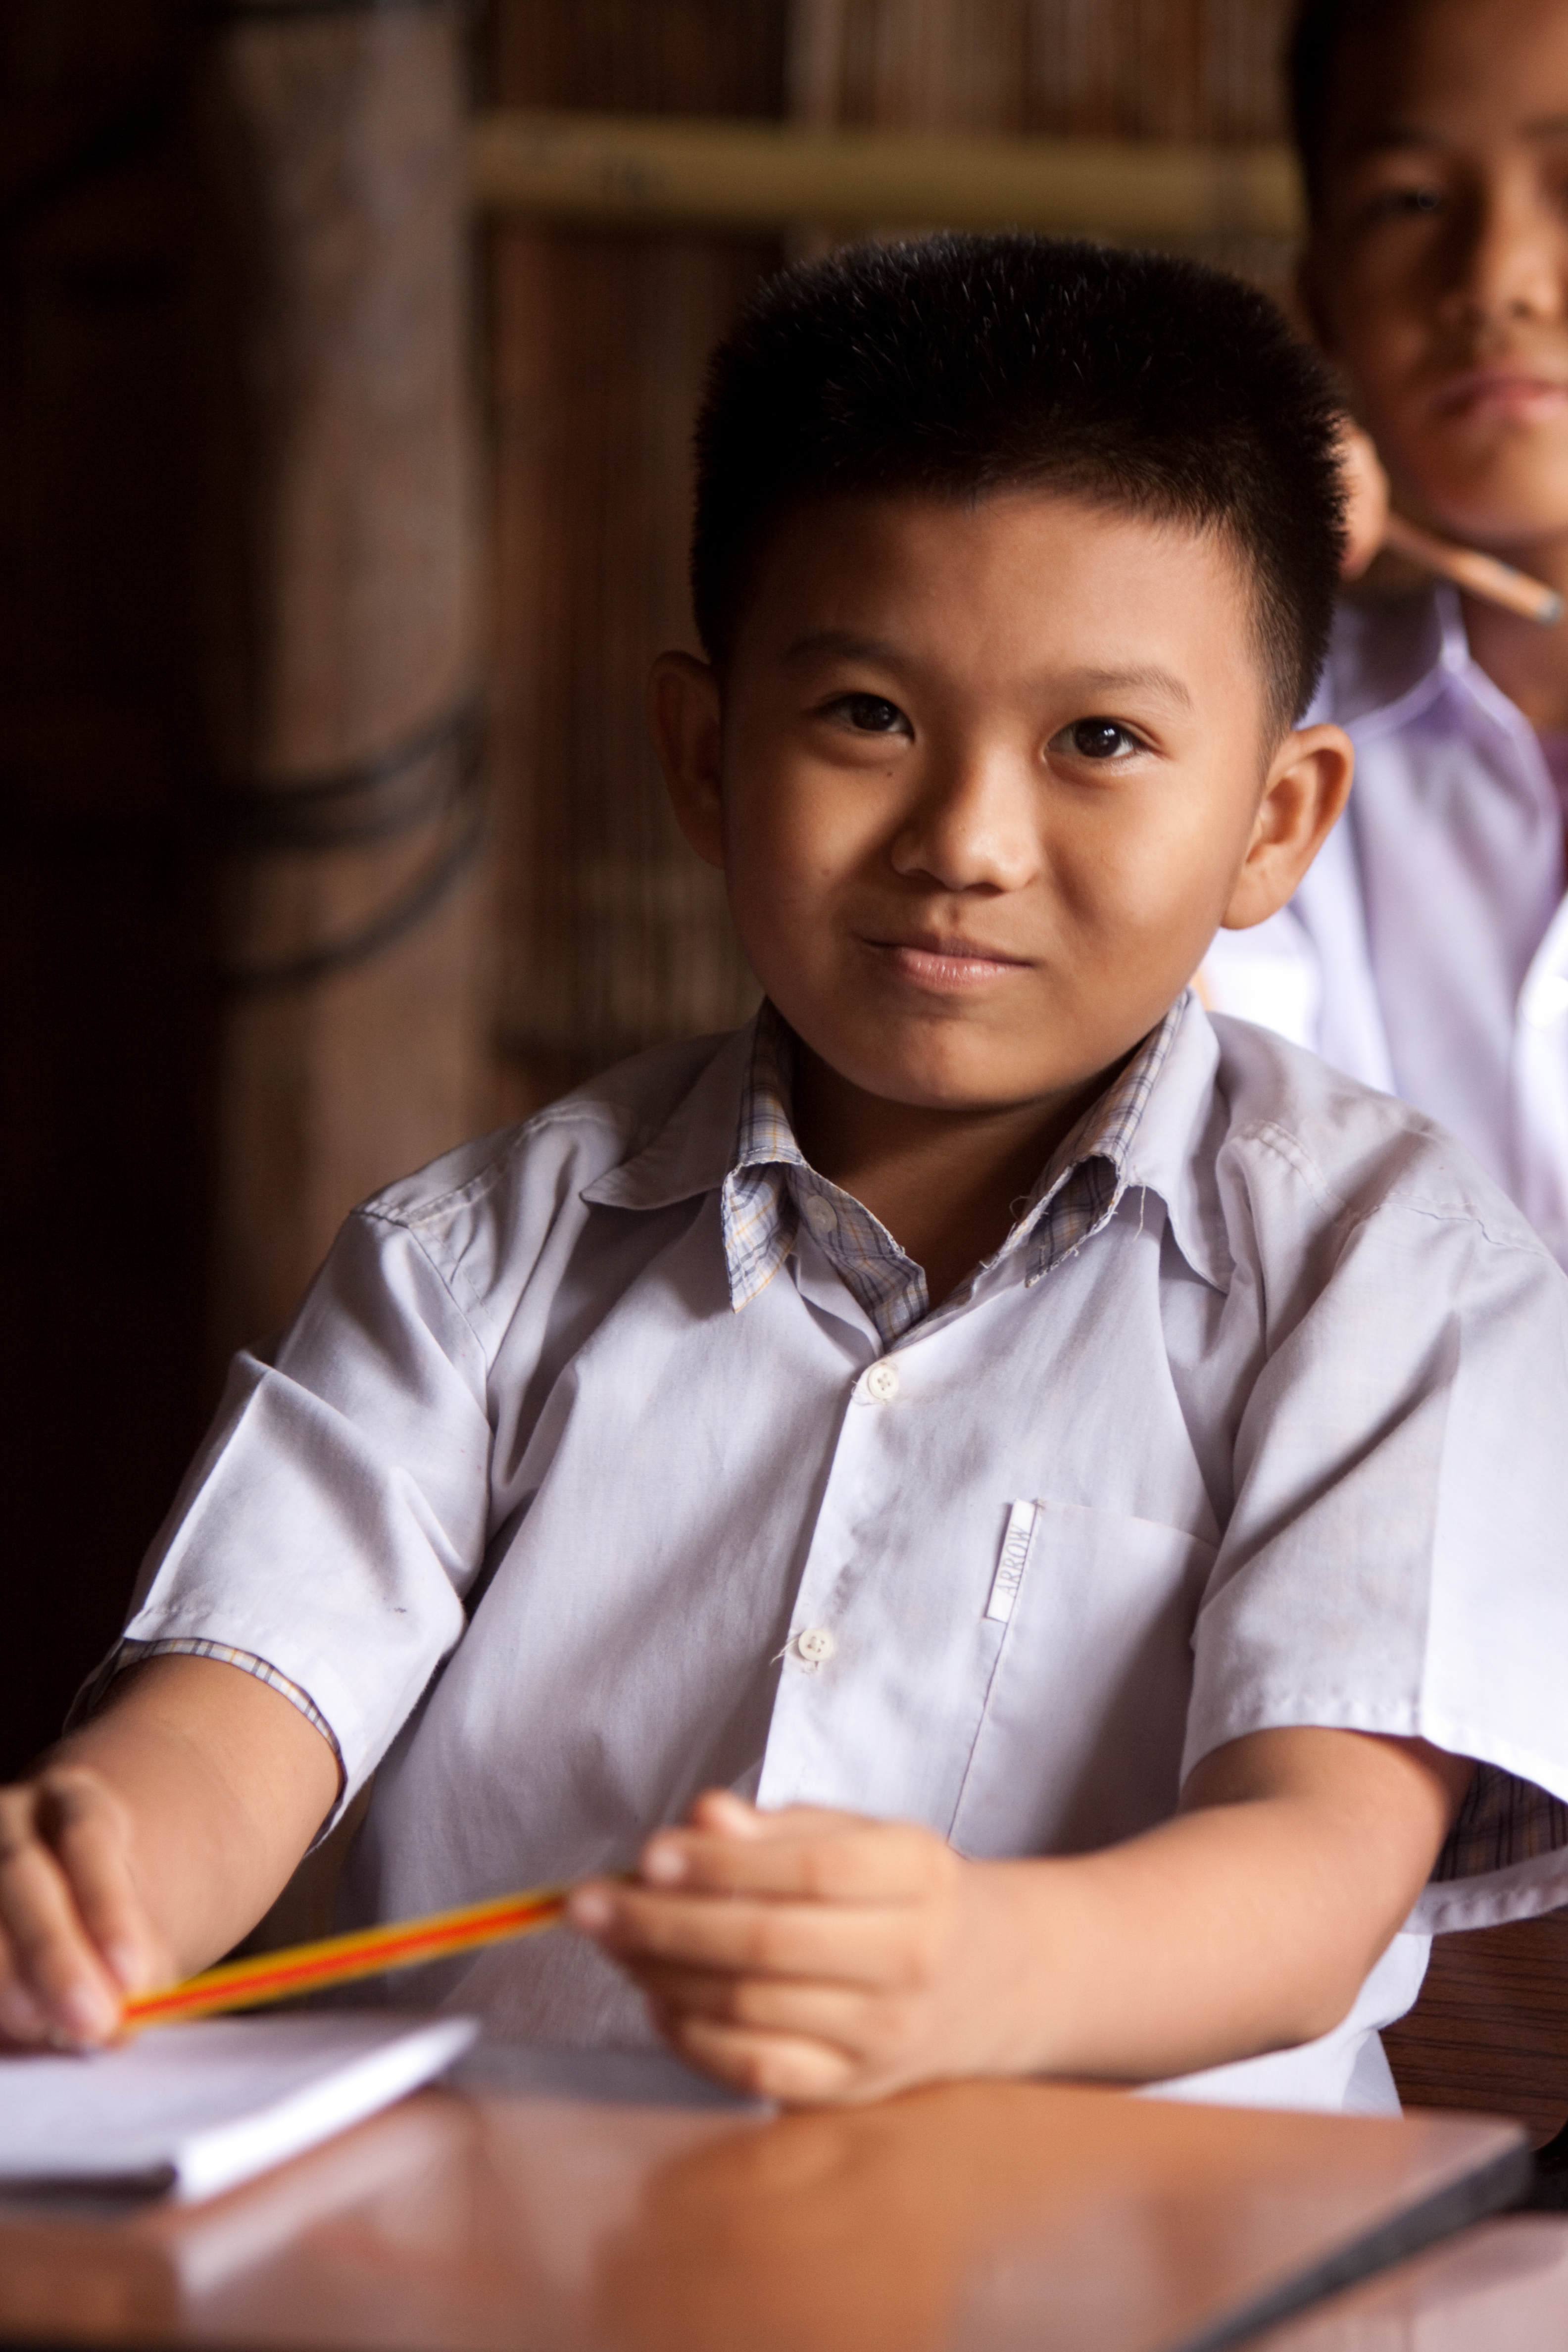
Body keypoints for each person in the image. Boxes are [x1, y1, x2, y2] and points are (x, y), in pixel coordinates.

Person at [5, 235, 1568, 2115]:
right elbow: (235, 1712)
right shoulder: (469, 1270)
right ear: (701, 753)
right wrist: (97, 1884)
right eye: (866, 718)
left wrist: (972, 1970)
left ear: (1273, 823)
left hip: (1141, 2262)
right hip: (518, 2252)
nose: (967, 841)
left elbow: (1312, 1880)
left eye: (1098, 740)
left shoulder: (1390, 1279)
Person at [1204, 0, 1568, 1265]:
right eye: (1410, 200)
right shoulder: (1257, 733)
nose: (1496, 279)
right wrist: (1214, 548)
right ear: (1322, 298)